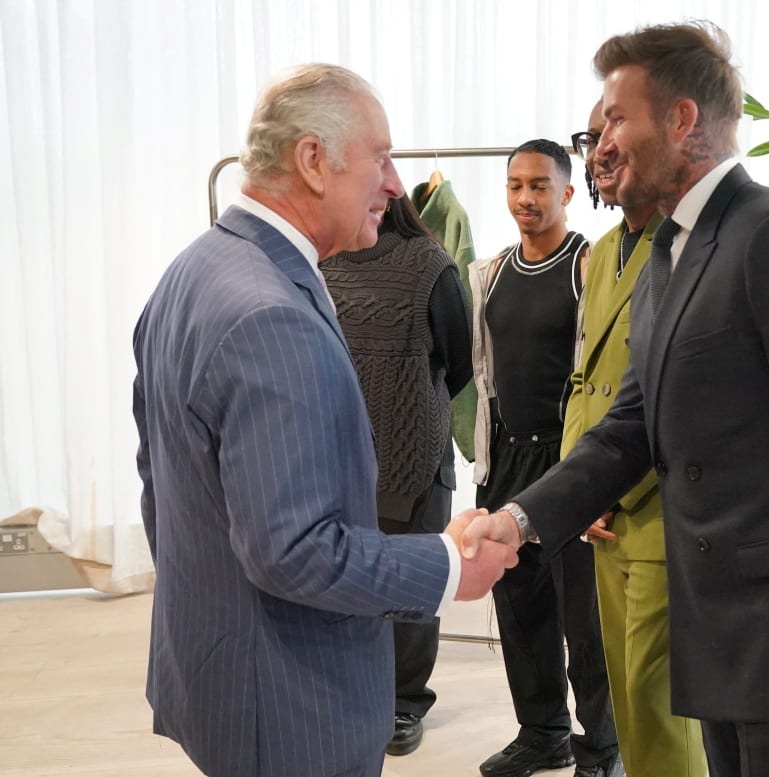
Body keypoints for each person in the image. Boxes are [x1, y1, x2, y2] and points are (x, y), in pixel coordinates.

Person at [463, 22, 769, 777]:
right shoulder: (665, 250)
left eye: (617, 119)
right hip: (712, 633)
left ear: (682, 122)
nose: (601, 144)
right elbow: (627, 430)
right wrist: (516, 521)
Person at [131, 63, 515, 777]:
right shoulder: (270, 314)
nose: (397, 184)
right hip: (288, 706)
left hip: (223, 673)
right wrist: (447, 564)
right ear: (314, 160)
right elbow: (295, 551)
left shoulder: (195, 269)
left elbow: (162, 478)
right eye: (381, 156)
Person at [470, 138, 622, 777]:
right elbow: (481, 372)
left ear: (566, 192)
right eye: (515, 186)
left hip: (568, 466)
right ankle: (542, 732)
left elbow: (609, 372)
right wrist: (483, 464)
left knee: (585, 622)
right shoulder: (492, 272)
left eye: (539, 186)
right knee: (520, 608)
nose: (525, 198)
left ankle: (601, 747)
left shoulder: (588, 266)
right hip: (507, 457)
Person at [567, 101, 707, 777]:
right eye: (590, 139)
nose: (599, 151)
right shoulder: (598, 255)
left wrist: (606, 485)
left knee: (659, 706)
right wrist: (577, 484)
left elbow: (690, 394)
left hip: (656, 508)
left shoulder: (687, 246)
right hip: (601, 515)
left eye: (611, 135)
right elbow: (583, 375)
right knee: (623, 698)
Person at [320, 192, 473, 757]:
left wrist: (404, 409)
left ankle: (404, 702)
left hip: (414, 456)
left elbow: (458, 363)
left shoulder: (430, 265)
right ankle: (353, 691)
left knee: (413, 586)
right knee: (346, 579)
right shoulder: (323, 260)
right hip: (340, 454)